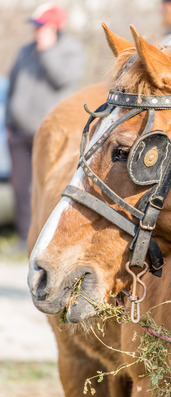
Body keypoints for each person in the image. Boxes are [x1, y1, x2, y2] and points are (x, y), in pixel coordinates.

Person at [5, 3, 85, 249]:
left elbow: (63, 80)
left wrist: (47, 51)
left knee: (47, 186)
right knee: (21, 187)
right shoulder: (25, 51)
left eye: (41, 27)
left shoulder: (72, 50)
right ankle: (24, 238)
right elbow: (13, 85)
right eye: (36, 27)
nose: (36, 31)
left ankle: (47, 237)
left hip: (50, 135)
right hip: (18, 132)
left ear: (55, 28)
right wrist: (9, 120)